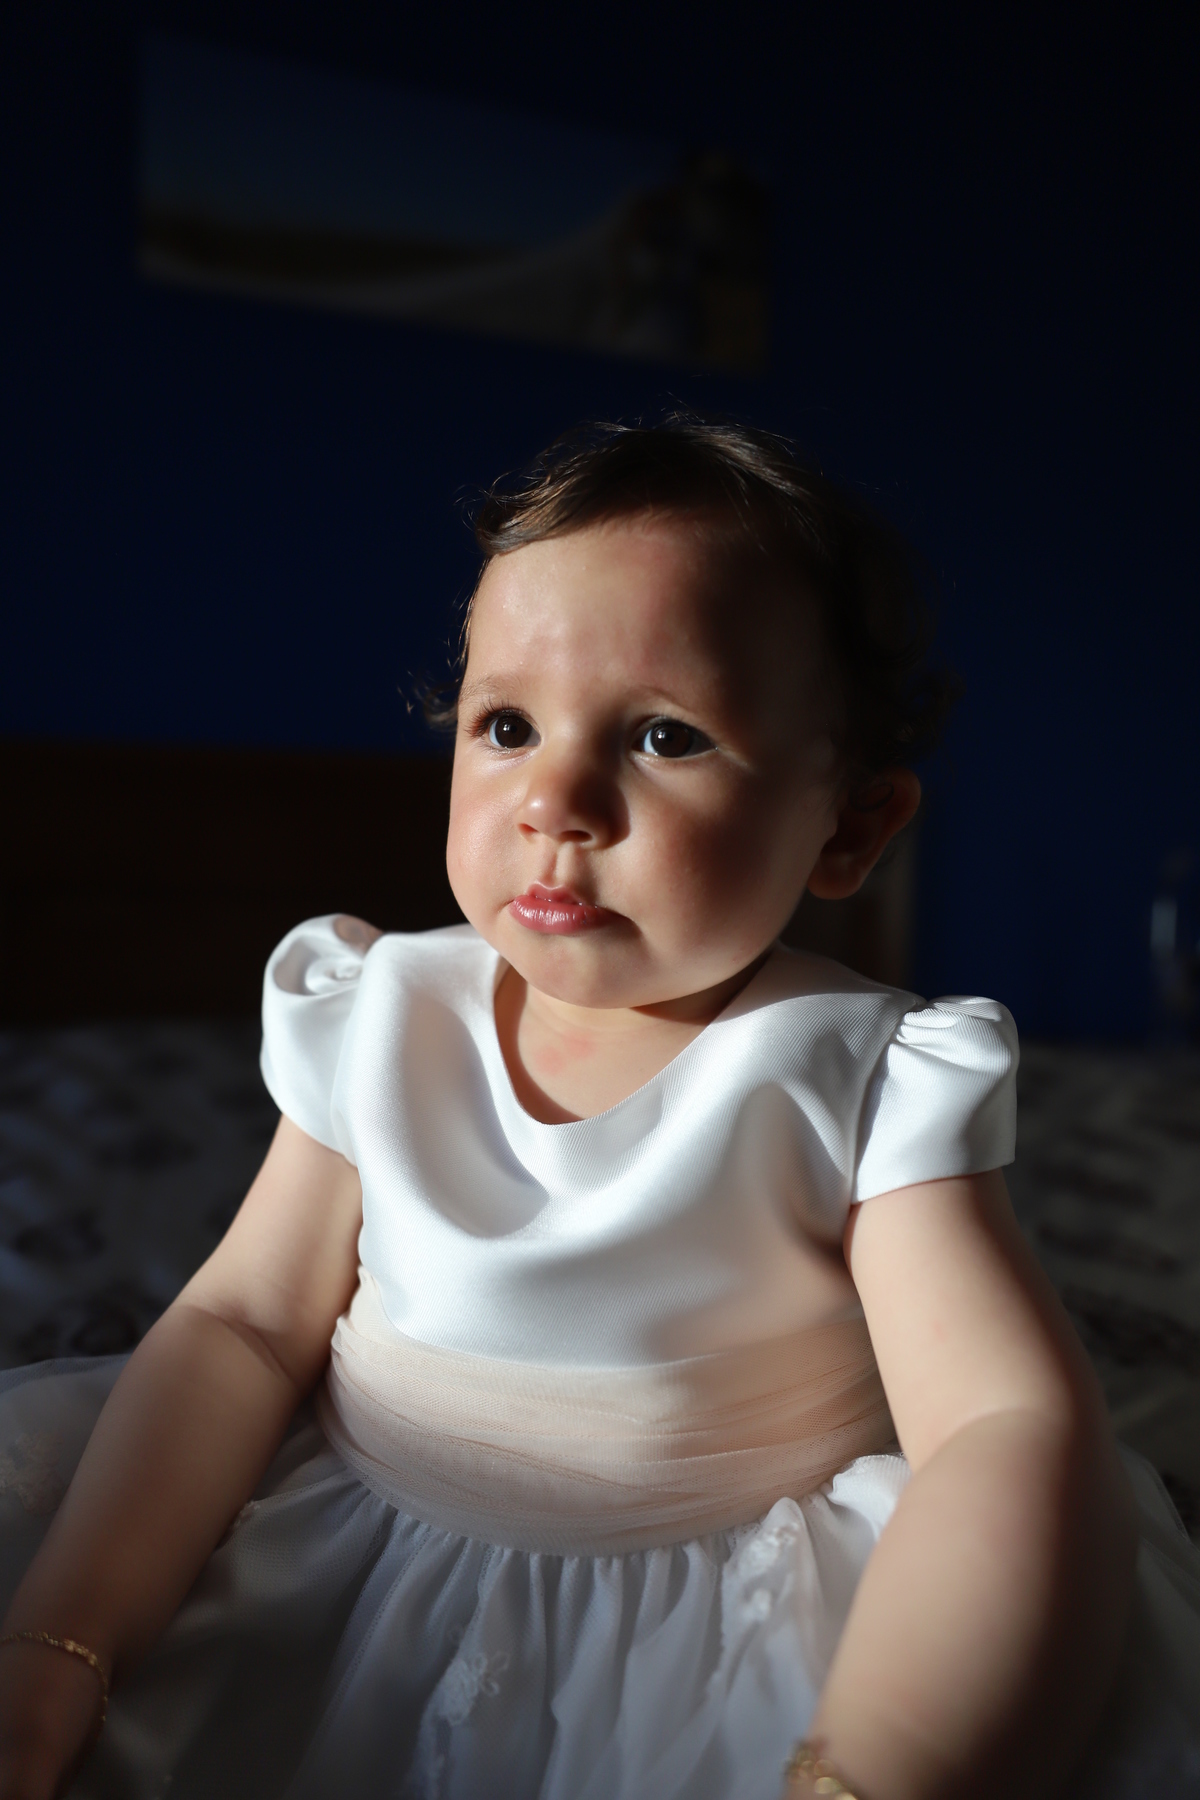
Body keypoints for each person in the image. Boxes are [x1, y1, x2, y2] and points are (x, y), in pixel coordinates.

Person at [1, 417, 1197, 1800]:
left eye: (664, 736)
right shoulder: (380, 1015)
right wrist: (65, 1640)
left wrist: (881, 1767)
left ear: (850, 826)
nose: (556, 801)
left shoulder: (859, 1077)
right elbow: (243, 1328)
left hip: (722, 1630)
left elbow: (1000, 1429)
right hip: (356, 1573)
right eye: (506, 725)